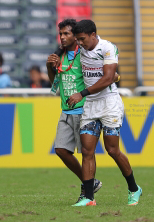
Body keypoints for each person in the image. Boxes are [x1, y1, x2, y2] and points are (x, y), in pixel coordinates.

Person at [68, 20, 142, 206]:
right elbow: (64, 47)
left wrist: (82, 93)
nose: (80, 43)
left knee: (112, 150)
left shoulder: (107, 48)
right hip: (91, 106)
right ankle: (89, 198)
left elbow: (109, 78)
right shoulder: (79, 48)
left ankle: (134, 188)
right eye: (77, 40)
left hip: (109, 104)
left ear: (93, 35)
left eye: (83, 39)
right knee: (87, 151)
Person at [46, 19, 103, 204]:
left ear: (75, 35)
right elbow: (54, 84)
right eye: (60, 34)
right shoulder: (59, 56)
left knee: (87, 154)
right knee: (61, 150)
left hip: (84, 110)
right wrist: (49, 67)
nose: (62, 37)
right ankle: (90, 183)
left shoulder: (85, 55)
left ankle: (88, 193)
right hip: (65, 111)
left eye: (66, 34)